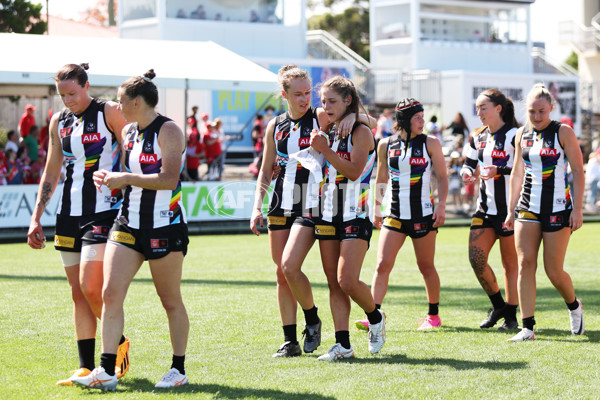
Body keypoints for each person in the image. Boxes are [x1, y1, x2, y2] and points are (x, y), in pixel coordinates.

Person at [72, 70, 190, 390]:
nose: (117, 105)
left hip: (164, 226)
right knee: (110, 293)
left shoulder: (170, 130)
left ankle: (178, 369)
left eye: (121, 100)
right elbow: (132, 173)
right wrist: (112, 179)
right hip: (127, 223)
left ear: (136, 102)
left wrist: (124, 179)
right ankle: (107, 370)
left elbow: (168, 179)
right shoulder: (129, 133)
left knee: (170, 301)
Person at [250, 65, 375, 358]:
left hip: (313, 203)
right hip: (281, 200)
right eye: (298, 94)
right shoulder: (275, 126)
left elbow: (362, 120)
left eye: (308, 92)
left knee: (294, 266)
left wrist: (355, 115)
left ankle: (325, 326)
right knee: (283, 272)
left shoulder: (320, 115)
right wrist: (257, 205)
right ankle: (294, 335)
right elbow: (266, 169)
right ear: (284, 95)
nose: (306, 99)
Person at [26, 63, 130, 385]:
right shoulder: (60, 121)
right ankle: (85, 367)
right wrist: (36, 215)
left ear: (87, 85)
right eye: (62, 95)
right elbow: (51, 170)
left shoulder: (109, 111)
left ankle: (117, 345)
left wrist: (123, 180)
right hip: (68, 214)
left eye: (72, 93)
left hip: (102, 210)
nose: (67, 100)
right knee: (77, 293)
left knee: (90, 286)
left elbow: (133, 146)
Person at [356, 98, 448, 332]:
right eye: (417, 117)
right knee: (382, 264)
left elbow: (443, 176)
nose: (422, 121)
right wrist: (377, 208)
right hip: (394, 214)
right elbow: (381, 178)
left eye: (422, 116)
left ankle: (433, 316)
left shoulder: (431, 143)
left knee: (426, 266)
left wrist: (441, 205)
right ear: (405, 120)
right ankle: (374, 315)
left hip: (423, 216)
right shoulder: (386, 144)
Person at [310, 76, 385, 360]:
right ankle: (343, 345)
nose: (325, 106)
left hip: (356, 211)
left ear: (347, 101)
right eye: (324, 100)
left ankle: (375, 317)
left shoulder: (361, 132)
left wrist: (326, 148)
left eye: (332, 101)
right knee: (333, 283)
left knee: (347, 280)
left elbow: (354, 172)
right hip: (327, 211)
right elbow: (314, 113)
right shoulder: (327, 122)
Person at [504, 83, 585, 342]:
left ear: (551, 107)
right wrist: (510, 209)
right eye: (531, 112)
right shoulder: (521, 135)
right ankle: (527, 327)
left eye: (541, 111)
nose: (536, 117)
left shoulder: (564, 132)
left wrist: (578, 210)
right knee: (525, 263)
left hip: (558, 208)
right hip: (527, 207)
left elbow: (579, 172)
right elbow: (517, 173)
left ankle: (574, 306)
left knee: (554, 271)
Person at [461, 88, 519, 330]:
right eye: (477, 108)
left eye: (483, 108)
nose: (479, 113)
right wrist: (466, 173)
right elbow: (469, 164)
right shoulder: (478, 136)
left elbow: (524, 170)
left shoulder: (517, 135)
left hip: (511, 211)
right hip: (484, 209)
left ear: (498, 108)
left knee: (510, 265)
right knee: (476, 259)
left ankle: (512, 316)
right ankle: (498, 305)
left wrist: (500, 171)